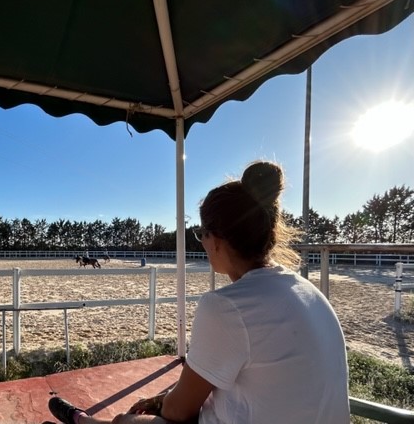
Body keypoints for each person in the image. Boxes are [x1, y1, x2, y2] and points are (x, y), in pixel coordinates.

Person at [48, 160, 349, 424]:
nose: (202, 243)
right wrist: (165, 398)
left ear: (216, 238)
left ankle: (83, 421)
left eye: (202, 234)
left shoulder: (227, 306)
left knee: (127, 420)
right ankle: (85, 420)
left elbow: (179, 412)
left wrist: (163, 402)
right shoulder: (309, 292)